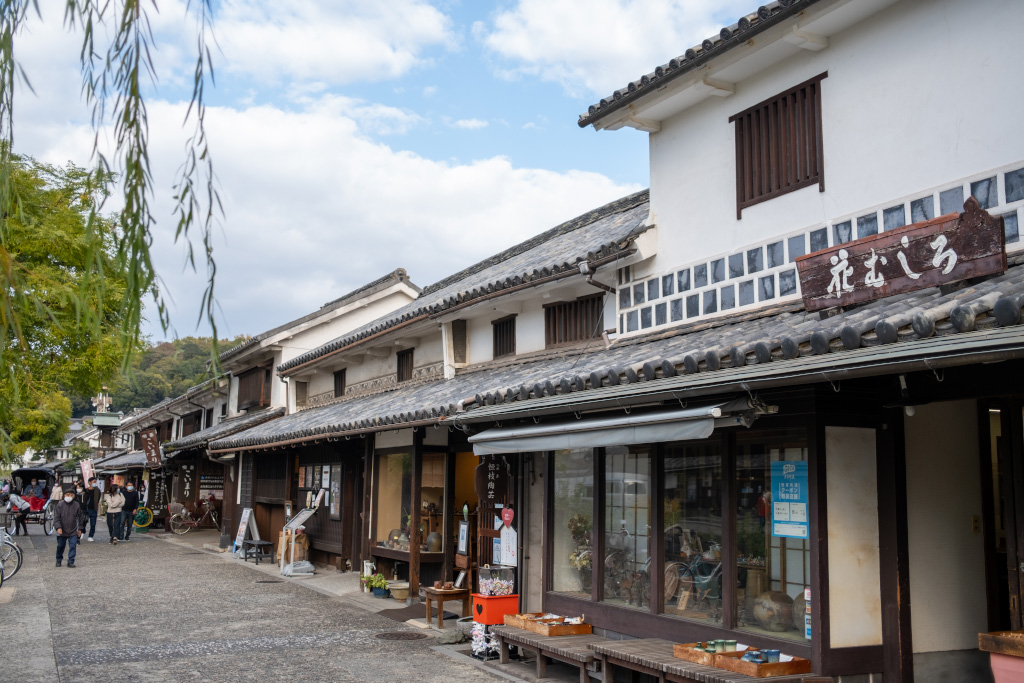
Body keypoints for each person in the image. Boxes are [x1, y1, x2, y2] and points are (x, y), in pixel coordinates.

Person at [54, 486, 83, 568]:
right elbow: (56, 518)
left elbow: (80, 517)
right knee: (60, 546)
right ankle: (58, 560)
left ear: (73, 496)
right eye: (67, 495)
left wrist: (80, 529)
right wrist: (58, 527)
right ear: (64, 496)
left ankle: (71, 561)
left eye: (70, 495)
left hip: (73, 530)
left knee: (73, 546)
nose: (68, 496)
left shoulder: (76, 505)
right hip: (62, 530)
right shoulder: (60, 505)